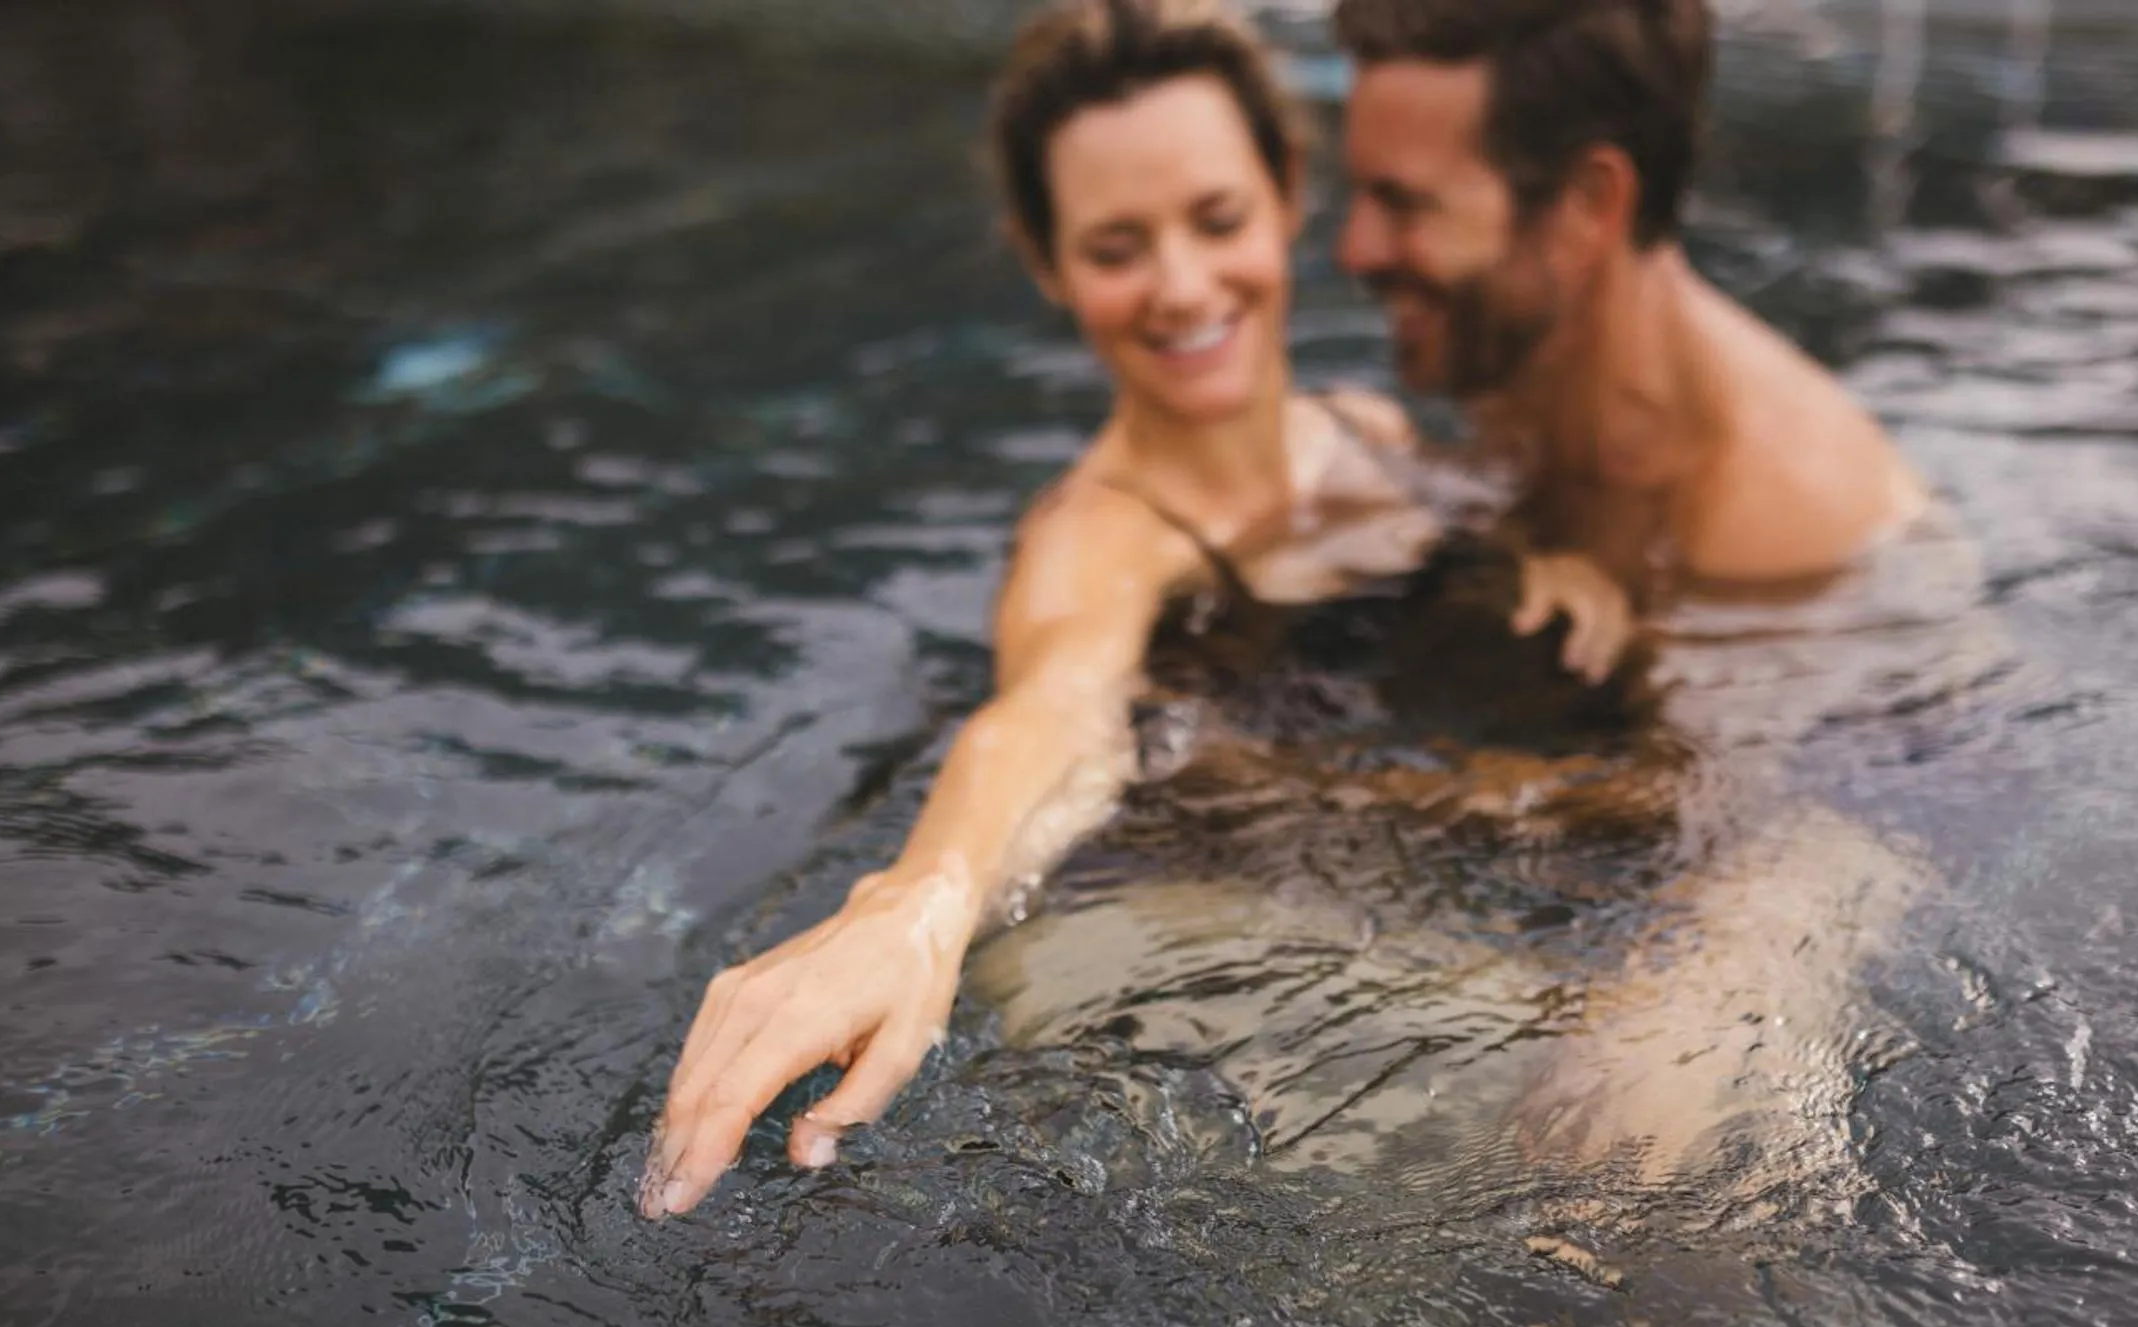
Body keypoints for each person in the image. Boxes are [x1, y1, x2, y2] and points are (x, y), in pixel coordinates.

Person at [639, 0, 1625, 1220]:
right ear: (1047, 263)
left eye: (1217, 220)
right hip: (1210, 911)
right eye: (1116, 247)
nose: (1182, 286)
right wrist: (920, 901)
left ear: (1285, 195)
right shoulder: (1093, 540)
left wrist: (1553, 555)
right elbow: (1053, 704)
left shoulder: (1365, 432)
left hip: (1409, 853)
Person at [1332, 0, 1929, 628]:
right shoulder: (1517, 350)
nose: (1353, 250)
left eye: (1406, 205)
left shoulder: (1765, 537)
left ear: (1591, 203)